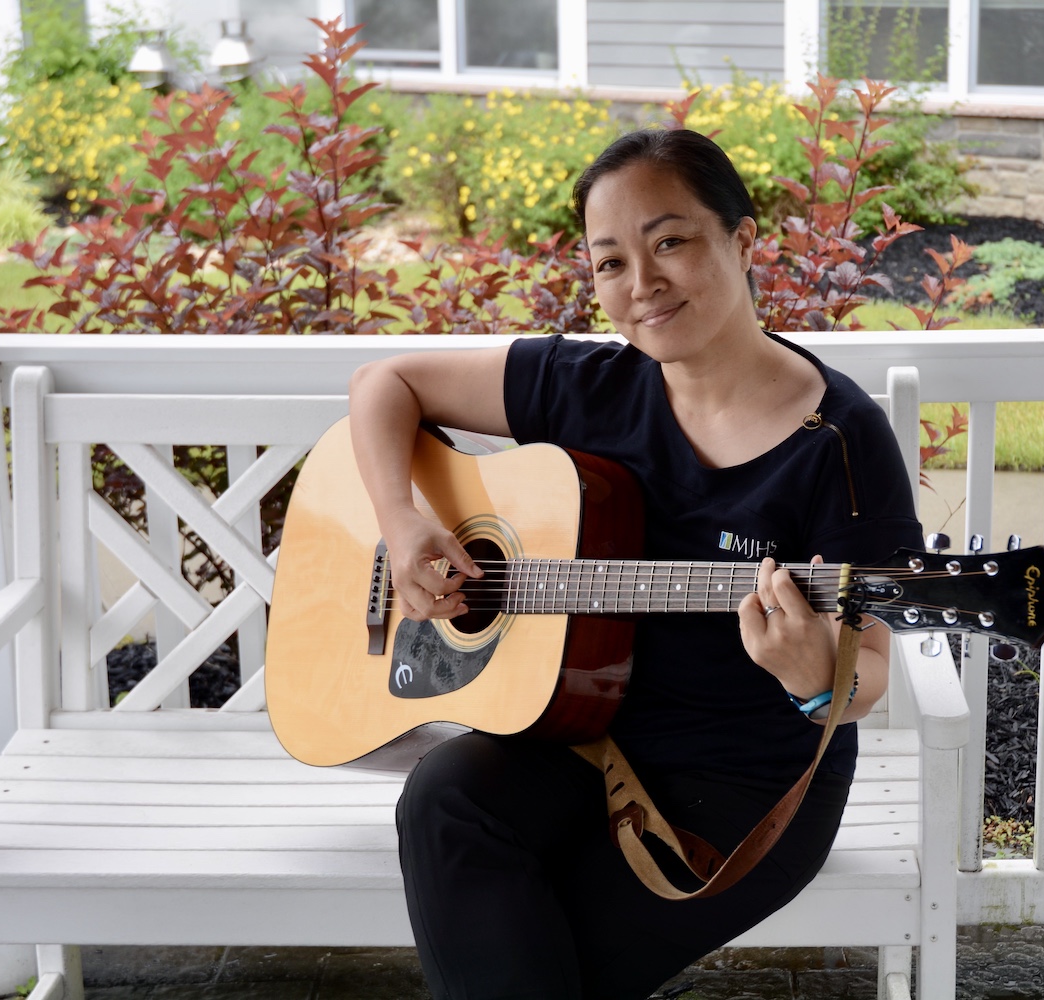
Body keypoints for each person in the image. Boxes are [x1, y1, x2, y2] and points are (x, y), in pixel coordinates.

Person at [346, 127, 922, 1000]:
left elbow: (866, 669)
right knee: (444, 799)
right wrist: (403, 521)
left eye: (670, 242)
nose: (641, 285)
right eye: (609, 262)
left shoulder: (838, 441)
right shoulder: (591, 385)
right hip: (581, 733)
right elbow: (385, 382)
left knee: (529, 963)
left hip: (745, 782)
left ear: (743, 239)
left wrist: (816, 679)